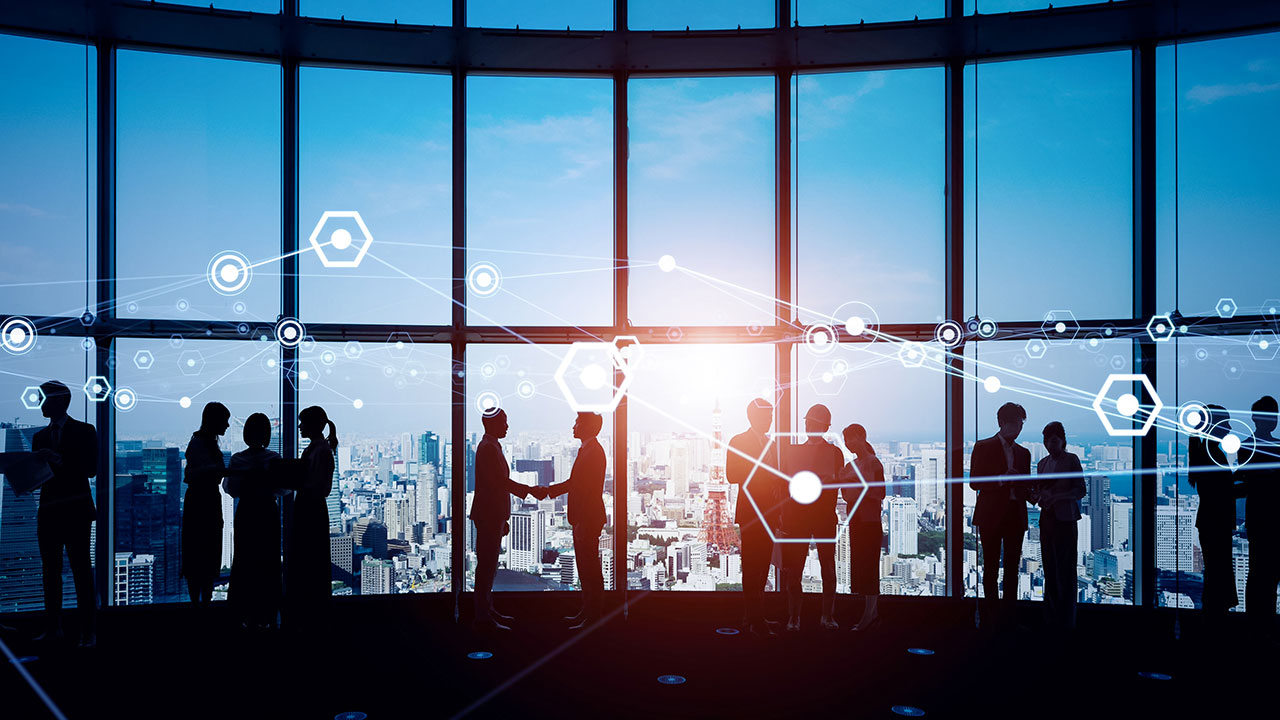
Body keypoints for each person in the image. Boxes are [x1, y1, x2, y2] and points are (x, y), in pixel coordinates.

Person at [31, 380, 98, 647]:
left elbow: (91, 469)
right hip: (48, 511)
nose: (40, 404)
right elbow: (37, 479)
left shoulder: (85, 431)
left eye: (43, 399)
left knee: (81, 572)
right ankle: (53, 627)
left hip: (76, 512)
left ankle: (88, 632)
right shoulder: (39, 437)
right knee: (50, 572)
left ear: (59, 401)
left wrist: (58, 460)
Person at [470, 408, 536, 631]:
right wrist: (529, 490)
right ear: (493, 424)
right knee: (486, 567)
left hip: (492, 515)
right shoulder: (488, 448)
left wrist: (502, 518)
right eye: (504, 422)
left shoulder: (492, 445)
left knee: (489, 566)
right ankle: (482, 615)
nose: (507, 426)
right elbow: (500, 482)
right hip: (489, 516)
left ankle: (487, 610)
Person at [780, 404, 844, 632]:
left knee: (827, 567)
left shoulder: (834, 453)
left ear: (823, 426)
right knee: (795, 569)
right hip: (802, 516)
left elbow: (839, 484)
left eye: (812, 422)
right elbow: (785, 482)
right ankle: (795, 616)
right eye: (807, 422)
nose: (807, 426)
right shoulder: (795, 451)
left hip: (820, 515)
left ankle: (825, 615)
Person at [726, 398, 785, 638]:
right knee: (752, 565)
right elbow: (732, 475)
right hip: (751, 511)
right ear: (753, 417)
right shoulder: (738, 441)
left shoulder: (771, 444)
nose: (770, 419)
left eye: (771, 415)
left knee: (762, 565)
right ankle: (754, 618)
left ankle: (754, 615)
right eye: (766, 415)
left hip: (770, 511)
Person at [544, 413, 608, 630]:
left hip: (586, 519)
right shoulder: (588, 450)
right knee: (585, 567)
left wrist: (581, 521)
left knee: (589, 569)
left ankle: (593, 617)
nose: (573, 426)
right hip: (584, 518)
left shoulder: (593, 452)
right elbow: (577, 484)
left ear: (588, 427)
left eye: (577, 423)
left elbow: (584, 490)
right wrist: (551, 491)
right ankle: (587, 612)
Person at [969, 402, 1031, 622]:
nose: (1018, 428)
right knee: (991, 568)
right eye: (1015, 423)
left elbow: (1026, 486)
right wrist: (1003, 478)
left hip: (1016, 514)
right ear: (1001, 422)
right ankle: (991, 617)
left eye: (1021, 424)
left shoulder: (1024, 453)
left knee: (1013, 569)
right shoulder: (983, 446)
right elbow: (974, 482)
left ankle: (1009, 618)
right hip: (991, 515)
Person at [225, 413, 286, 629]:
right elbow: (283, 489)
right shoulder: (274, 459)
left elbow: (230, 489)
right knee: (269, 562)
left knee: (244, 561)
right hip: (267, 512)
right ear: (267, 435)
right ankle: (269, 614)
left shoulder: (237, 459)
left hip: (246, 512)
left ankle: (243, 613)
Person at [1189, 405, 1244, 624]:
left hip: (1211, 520)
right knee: (1218, 574)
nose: (1230, 427)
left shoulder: (1207, 451)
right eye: (1226, 422)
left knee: (1215, 573)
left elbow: (1218, 487)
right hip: (1216, 521)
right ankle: (1215, 622)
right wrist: (1255, 483)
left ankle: (1214, 621)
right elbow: (1220, 490)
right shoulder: (1211, 453)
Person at [285, 405, 337, 629]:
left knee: (309, 557)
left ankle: (310, 611)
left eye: (302, 423)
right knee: (311, 558)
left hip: (311, 507)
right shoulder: (318, 449)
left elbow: (319, 486)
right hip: (310, 506)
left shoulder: (320, 451)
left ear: (314, 425)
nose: (299, 427)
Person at [1034, 421, 1086, 633]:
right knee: (1049, 568)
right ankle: (1051, 618)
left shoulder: (1071, 460)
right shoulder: (1042, 463)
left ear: (1063, 440)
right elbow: (1038, 489)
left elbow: (1080, 490)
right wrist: (1038, 497)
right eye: (1047, 441)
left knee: (1066, 569)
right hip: (1047, 519)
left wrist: (1057, 498)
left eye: (1054, 441)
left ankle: (1066, 621)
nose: (1050, 445)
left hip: (1065, 519)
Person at [183, 402, 230, 607]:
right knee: (204, 551)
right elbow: (204, 473)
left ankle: (200, 603)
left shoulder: (202, 442)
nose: (227, 425)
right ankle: (202, 603)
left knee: (200, 552)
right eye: (225, 420)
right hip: (204, 502)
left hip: (202, 501)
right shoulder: (202, 443)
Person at [842, 423, 885, 633]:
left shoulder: (872, 463)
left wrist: (855, 485)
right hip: (858, 520)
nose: (848, 443)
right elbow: (845, 494)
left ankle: (869, 615)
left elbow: (878, 493)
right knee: (862, 567)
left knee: (868, 567)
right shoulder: (852, 466)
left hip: (869, 522)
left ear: (860, 436)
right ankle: (870, 614)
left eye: (850, 438)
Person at [1244, 396, 1279, 637]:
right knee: (1263, 574)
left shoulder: (1248, 445)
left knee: (1259, 573)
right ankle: (1261, 626)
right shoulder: (1252, 446)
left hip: (1259, 517)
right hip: (1269, 518)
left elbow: (1248, 482)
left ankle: (1257, 626)